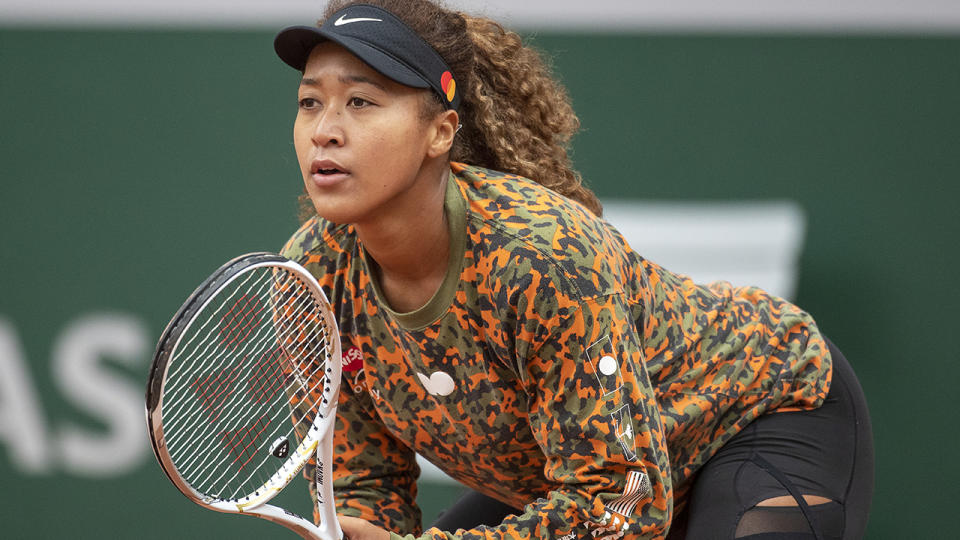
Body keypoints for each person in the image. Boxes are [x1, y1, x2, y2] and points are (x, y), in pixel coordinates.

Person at [272, 1, 874, 538]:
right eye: (309, 102)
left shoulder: (542, 255)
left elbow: (619, 504)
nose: (324, 131)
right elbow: (366, 481)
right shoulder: (308, 281)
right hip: (580, 470)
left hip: (756, 413)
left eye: (360, 102)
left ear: (440, 131)